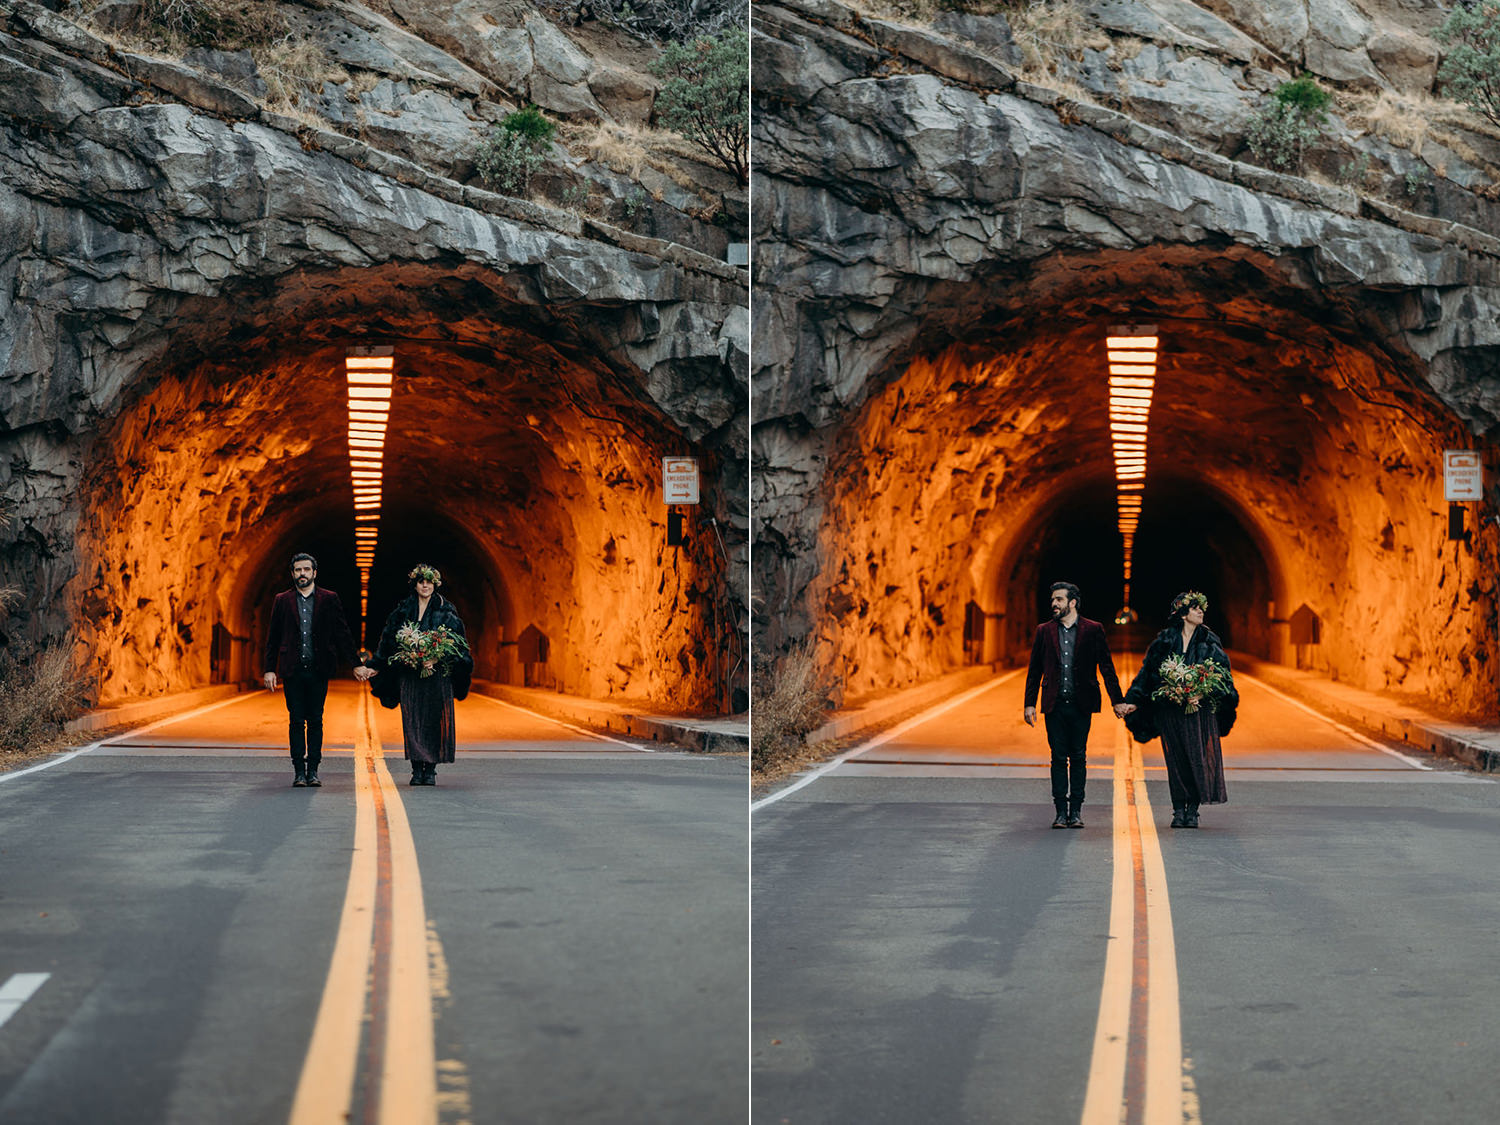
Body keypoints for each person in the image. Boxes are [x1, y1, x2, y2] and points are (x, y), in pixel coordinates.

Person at [1124, 591, 1239, 828]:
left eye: (1201, 608)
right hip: (1170, 712)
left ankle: (1193, 809)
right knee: (1175, 760)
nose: (1201, 612)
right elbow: (1147, 675)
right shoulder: (1164, 641)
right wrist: (1133, 700)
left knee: (1196, 759)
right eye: (1196, 608)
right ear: (1183, 613)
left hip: (1199, 713)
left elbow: (1223, 678)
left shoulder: (1210, 642)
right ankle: (1178, 809)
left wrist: (1203, 692)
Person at [1024, 581, 1134, 829]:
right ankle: (1060, 812)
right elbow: (1035, 670)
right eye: (1053, 599)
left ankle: (1076, 811)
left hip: (1081, 704)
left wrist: (1117, 700)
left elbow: (1106, 666)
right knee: (1057, 758)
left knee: (1079, 757)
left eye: (1059, 600)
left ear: (1072, 602)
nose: (1054, 604)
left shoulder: (1093, 630)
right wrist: (1029, 703)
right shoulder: (1044, 631)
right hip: (1054, 704)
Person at [263, 552, 372, 787]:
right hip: (292, 669)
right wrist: (269, 669)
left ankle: (313, 770)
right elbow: (273, 637)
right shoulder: (282, 600)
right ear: (292, 573)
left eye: (306, 569)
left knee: (315, 720)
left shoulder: (329, 599)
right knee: (295, 720)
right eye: (298, 570)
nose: (302, 574)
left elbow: (342, 633)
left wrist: (355, 664)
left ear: (314, 573)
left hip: (318, 669)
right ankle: (298, 772)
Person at [369, 564, 473, 786]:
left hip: (437, 677)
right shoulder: (402, 611)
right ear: (414, 584)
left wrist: (437, 658)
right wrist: (374, 665)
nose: (425, 585)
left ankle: (431, 769)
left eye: (429, 581)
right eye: (420, 581)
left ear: (435, 584)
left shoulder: (447, 611)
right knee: (413, 720)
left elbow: (458, 646)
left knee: (434, 719)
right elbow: (388, 641)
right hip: (410, 676)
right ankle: (417, 768)